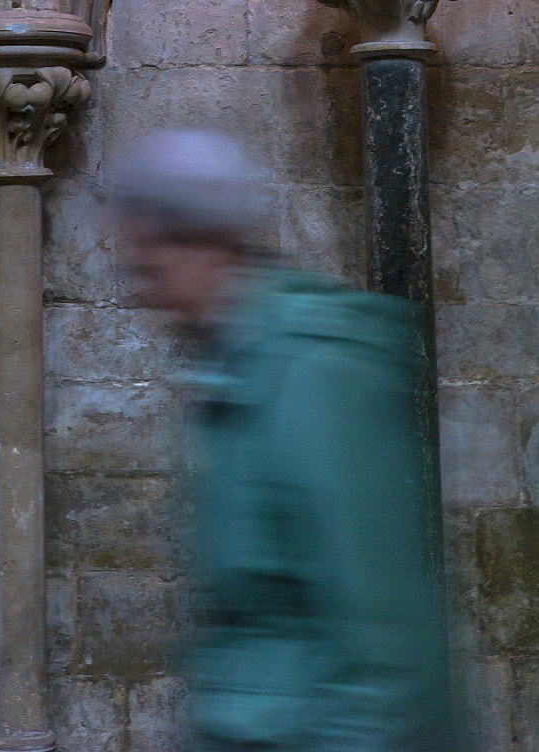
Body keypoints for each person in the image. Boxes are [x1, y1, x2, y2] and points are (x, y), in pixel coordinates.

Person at [112, 129, 458, 752]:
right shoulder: (233, 373)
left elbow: (384, 640)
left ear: (208, 245)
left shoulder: (315, 370)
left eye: (152, 268)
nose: (150, 297)